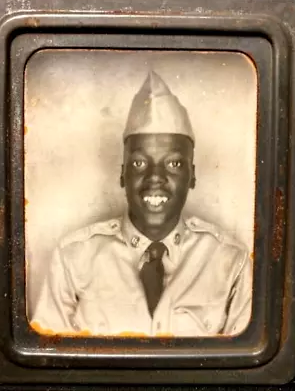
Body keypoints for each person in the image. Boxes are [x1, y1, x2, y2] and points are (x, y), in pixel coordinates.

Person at [30, 71, 252, 337]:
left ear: (192, 176)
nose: (155, 178)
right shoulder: (73, 258)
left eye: (173, 163)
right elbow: (48, 368)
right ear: (123, 174)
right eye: (139, 163)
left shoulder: (230, 261)